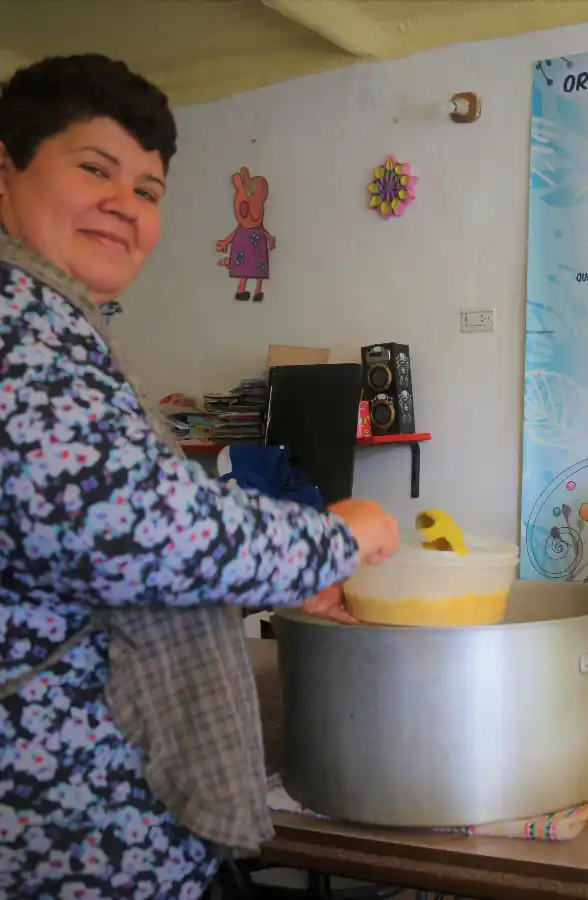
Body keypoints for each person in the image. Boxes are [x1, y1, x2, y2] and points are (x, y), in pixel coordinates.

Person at [0, 55, 400, 897]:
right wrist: (332, 539)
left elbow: (95, 538)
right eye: (94, 168)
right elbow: (130, 527)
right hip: (61, 830)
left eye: (148, 190)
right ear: (6, 169)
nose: (126, 205)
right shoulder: (16, 323)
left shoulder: (60, 325)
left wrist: (274, 580)